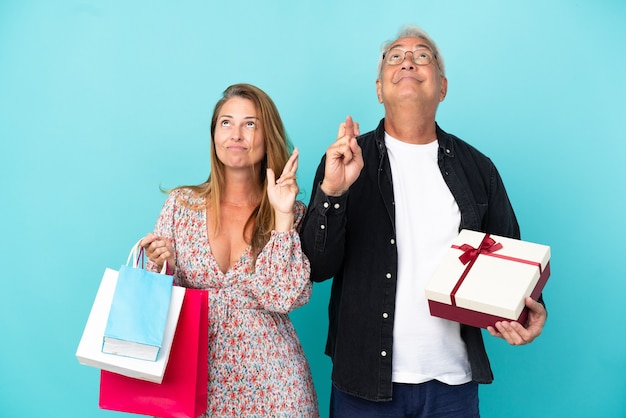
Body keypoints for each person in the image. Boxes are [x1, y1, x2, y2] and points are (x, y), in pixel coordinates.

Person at [299, 24, 547, 417]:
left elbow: (511, 259)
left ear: (442, 87)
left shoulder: (478, 169)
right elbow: (315, 267)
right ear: (379, 89)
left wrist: (530, 310)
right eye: (394, 56)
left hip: (453, 386)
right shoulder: (345, 162)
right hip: (363, 381)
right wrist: (333, 194)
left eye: (422, 55)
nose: (408, 61)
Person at [140, 83, 319, 417]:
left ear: (268, 137)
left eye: (250, 124)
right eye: (226, 122)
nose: (236, 134)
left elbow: (284, 298)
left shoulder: (291, 212)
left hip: (274, 385)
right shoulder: (182, 205)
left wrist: (281, 216)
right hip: (190, 378)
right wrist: (161, 265)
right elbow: (158, 305)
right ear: (214, 135)